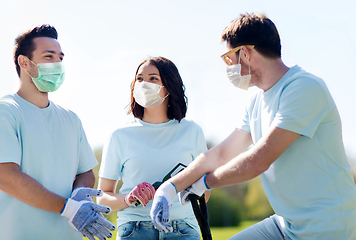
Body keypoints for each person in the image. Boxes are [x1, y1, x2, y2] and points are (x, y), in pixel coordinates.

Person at [150, 13, 356, 240]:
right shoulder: (256, 101)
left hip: (328, 226)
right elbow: (220, 154)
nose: (228, 66)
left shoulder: (304, 87)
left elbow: (258, 161)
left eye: (229, 57)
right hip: (286, 223)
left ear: (245, 53)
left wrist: (206, 182)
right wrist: (169, 188)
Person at [0, 24, 115, 240]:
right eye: (48, 56)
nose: (57, 64)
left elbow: (85, 173)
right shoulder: (6, 112)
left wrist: (80, 195)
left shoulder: (71, 119)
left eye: (60, 58)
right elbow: (5, 176)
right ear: (24, 62)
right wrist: (69, 209)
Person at [97, 56, 209, 240]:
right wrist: (128, 198)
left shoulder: (192, 131)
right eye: (139, 79)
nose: (143, 84)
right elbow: (102, 197)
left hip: (183, 230)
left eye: (153, 78)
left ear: (169, 86)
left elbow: (205, 192)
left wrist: (175, 189)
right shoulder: (119, 136)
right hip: (134, 230)